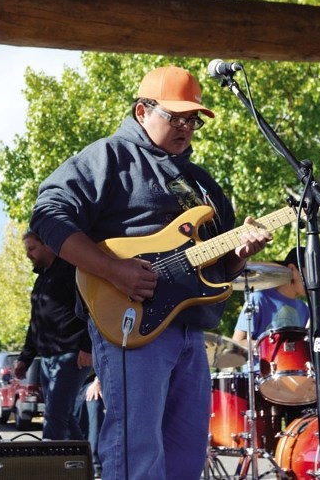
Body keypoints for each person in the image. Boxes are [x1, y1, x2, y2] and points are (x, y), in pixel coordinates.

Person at [29, 65, 271, 479]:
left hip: (189, 333)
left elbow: (216, 269)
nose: (186, 128)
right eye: (175, 117)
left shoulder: (202, 183)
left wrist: (238, 256)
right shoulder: (110, 156)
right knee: (136, 452)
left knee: (186, 457)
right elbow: (48, 213)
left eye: (192, 120)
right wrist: (113, 269)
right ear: (142, 112)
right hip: (130, 321)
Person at [14, 231, 93, 440]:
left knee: (54, 415)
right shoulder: (41, 279)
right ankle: (84, 465)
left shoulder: (71, 271)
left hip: (71, 354)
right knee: (63, 414)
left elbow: (91, 308)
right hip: (47, 358)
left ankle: (50, 465)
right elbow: (36, 322)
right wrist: (25, 358)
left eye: (32, 248)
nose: (28, 254)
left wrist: (87, 347)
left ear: (48, 245)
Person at [232, 246, 310, 343]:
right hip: (262, 358)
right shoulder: (259, 298)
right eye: (310, 273)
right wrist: (267, 348)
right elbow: (238, 341)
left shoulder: (304, 309)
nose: (315, 281)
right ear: (292, 269)